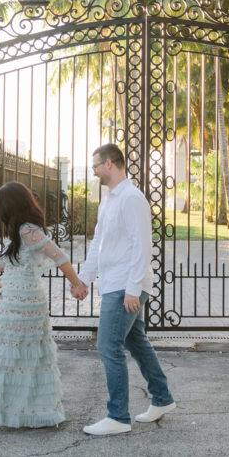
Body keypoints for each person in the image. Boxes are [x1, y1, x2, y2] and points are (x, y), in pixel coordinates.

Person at [0, 182, 84, 429]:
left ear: (9, 206)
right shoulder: (20, 231)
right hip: (15, 303)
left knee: (7, 357)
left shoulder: (28, 231)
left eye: (0, 205)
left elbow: (60, 257)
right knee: (17, 357)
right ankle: (21, 412)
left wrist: (76, 284)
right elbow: (0, 263)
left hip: (24, 306)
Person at [71, 143, 176, 436]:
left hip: (126, 285)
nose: (92, 171)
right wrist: (83, 280)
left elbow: (141, 246)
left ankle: (117, 417)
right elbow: (99, 246)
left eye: (95, 166)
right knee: (136, 343)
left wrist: (133, 289)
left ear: (109, 164)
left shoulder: (132, 198)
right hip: (115, 282)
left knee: (108, 346)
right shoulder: (108, 200)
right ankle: (163, 398)